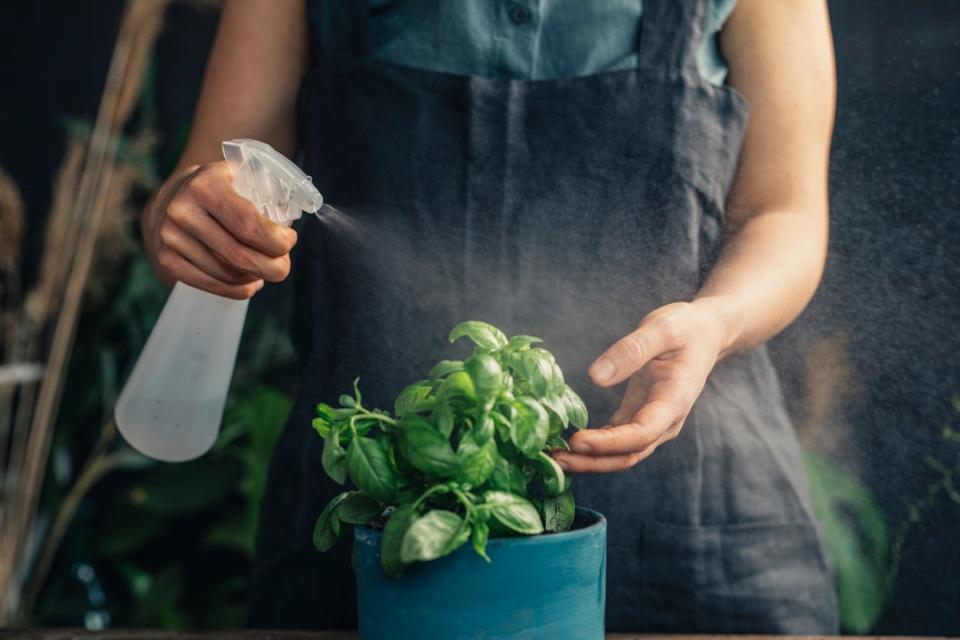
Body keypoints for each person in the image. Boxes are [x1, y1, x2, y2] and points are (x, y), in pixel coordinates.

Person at [141, 0, 837, 632]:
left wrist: (716, 320)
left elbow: (785, 214)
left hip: (699, 525)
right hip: (382, 513)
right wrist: (195, 215)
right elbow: (207, 174)